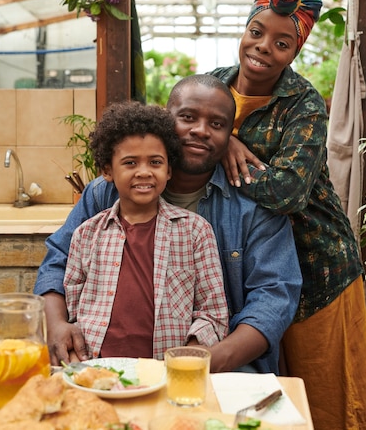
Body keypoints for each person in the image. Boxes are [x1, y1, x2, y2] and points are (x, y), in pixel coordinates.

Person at [34, 74, 302, 374]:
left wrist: (201, 362)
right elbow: (59, 261)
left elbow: (274, 299)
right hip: (100, 363)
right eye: (187, 117)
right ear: (166, 119)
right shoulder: (104, 193)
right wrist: (57, 324)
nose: (200, 131)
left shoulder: (252, 206)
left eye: (217, 124)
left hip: (225, 362)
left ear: (230, 135)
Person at [209, 0, 366, 430]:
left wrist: (216, 144)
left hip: (316, 267)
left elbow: (287, 191)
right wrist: (221, 140)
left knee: (326, 402)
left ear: (295, 52)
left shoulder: (303, 103)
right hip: (255, 268)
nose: (264, 47)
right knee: (266, 404)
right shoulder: (212, 85)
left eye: (282, 43)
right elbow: (175, 128)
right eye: (256, 32)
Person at [64, 101, 228, 359]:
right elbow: (72, 310)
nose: (144, 172)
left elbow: (213, 312)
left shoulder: (196, 232)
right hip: (96, 368)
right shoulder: (85, 235)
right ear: (107, 170)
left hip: (165, 371)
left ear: (169, 170)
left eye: (155, 162)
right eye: (130, 163)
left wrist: (193, 351)